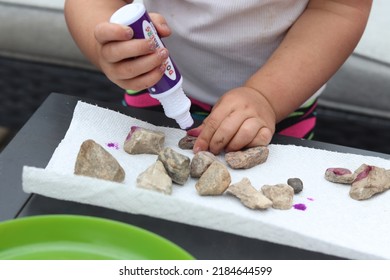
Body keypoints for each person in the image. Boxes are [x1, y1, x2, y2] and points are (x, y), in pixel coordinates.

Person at [64, 0, 372, 155]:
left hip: (283, 100)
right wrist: (109, 47)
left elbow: (338, 8)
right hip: (154, 84)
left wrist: (266, 96)